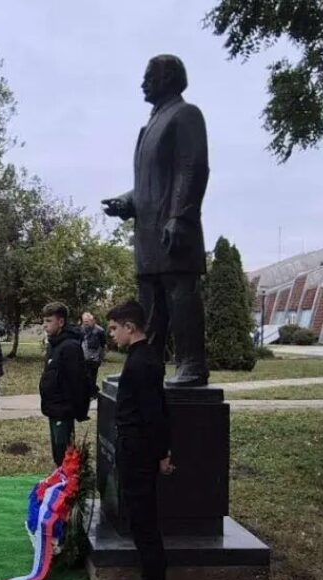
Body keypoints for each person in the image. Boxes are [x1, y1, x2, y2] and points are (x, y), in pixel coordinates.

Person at [102, 54, 210, 387]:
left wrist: (180, 216)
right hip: (149, 237)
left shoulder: (185, 115)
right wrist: (127, 201)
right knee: (149, 310)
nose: (143, 83)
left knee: (181, 301)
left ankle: (192, 366)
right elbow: (151, 183)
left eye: (149, 77)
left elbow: (192, 169)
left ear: (167, 79)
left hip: (174, 232)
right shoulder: (150, 126)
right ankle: (145, 368)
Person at [106, 300, 174, 580]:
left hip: (139, 454)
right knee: (142, 523)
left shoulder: (142, 362)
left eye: (114, 328)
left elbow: (154, 415)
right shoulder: (142, 357)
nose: (111, 334)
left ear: (129, 328)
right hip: (137, 450)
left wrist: (162, 454)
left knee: (145, 526)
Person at [38, 302, 89, 466]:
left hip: (63, 410)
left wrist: (78, 410)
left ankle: (67, 480)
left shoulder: (70, 347)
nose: (45, 325)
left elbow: (77, 382)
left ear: (61, 322)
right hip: (52, 408)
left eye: (49, 321)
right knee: (57, 453)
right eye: (44, 321)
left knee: (64, 453)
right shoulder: (53, 344)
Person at [81, 312, 106, 398]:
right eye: (84, 321)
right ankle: (92, 392)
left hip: (94, 358)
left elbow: (103, 345)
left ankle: (92, 393)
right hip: (84, 358)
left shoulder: (99, 331)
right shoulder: (81, 329)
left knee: (92, 376)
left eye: (87, 321)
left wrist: (101, 358)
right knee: (85, 377)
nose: (86, 323)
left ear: (92, 320)